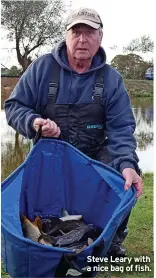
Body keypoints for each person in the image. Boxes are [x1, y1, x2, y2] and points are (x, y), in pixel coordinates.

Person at [4, 7, 143, 258]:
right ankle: (37, 242)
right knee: (33, 204)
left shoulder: (112, 79)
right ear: (66, 36)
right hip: (50, 155)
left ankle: (110, 239)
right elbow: (14, 107)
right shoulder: (41, 68)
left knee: (126, 178)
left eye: (89, 32)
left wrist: (127, 163)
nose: (82, 39)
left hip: (92, 157)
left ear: (100, 37)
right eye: (76, 32)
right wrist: (34, 121)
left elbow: (121, 129)